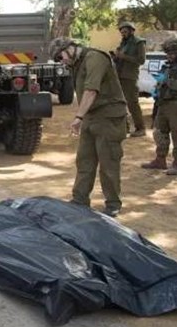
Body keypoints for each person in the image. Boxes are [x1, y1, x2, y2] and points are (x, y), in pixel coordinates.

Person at [49, 37, 127, 217]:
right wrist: (83, 116)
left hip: (109, 117)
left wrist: (78, 116)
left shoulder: (94, 58)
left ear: (69, 48)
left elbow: (91, 90)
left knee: (109, 163)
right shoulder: (77, 62)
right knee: (84, 160)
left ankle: (113, 204)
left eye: (60, 57)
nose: (62, 61)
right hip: (92, 117)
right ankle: (80, 200)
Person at [141, 37, 177, 176]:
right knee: (159, 132)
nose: (169, 55)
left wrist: (167, 82)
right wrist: (158, 87)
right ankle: (160, 159)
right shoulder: (170, 64)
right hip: (164, 103)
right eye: (168, 53)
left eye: (172, 52)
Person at [113, 21, 146, 137]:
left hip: (130, 77)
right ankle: (124, 127)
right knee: (120, 102)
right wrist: (116, 57)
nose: (123, 34)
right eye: (121, 32)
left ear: (131, 31)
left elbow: (141, 60)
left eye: (125, 31)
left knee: (132, 103)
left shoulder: (139, 43)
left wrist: (124, 57)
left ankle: (140, 128)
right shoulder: (123, 43)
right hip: (119, 75)